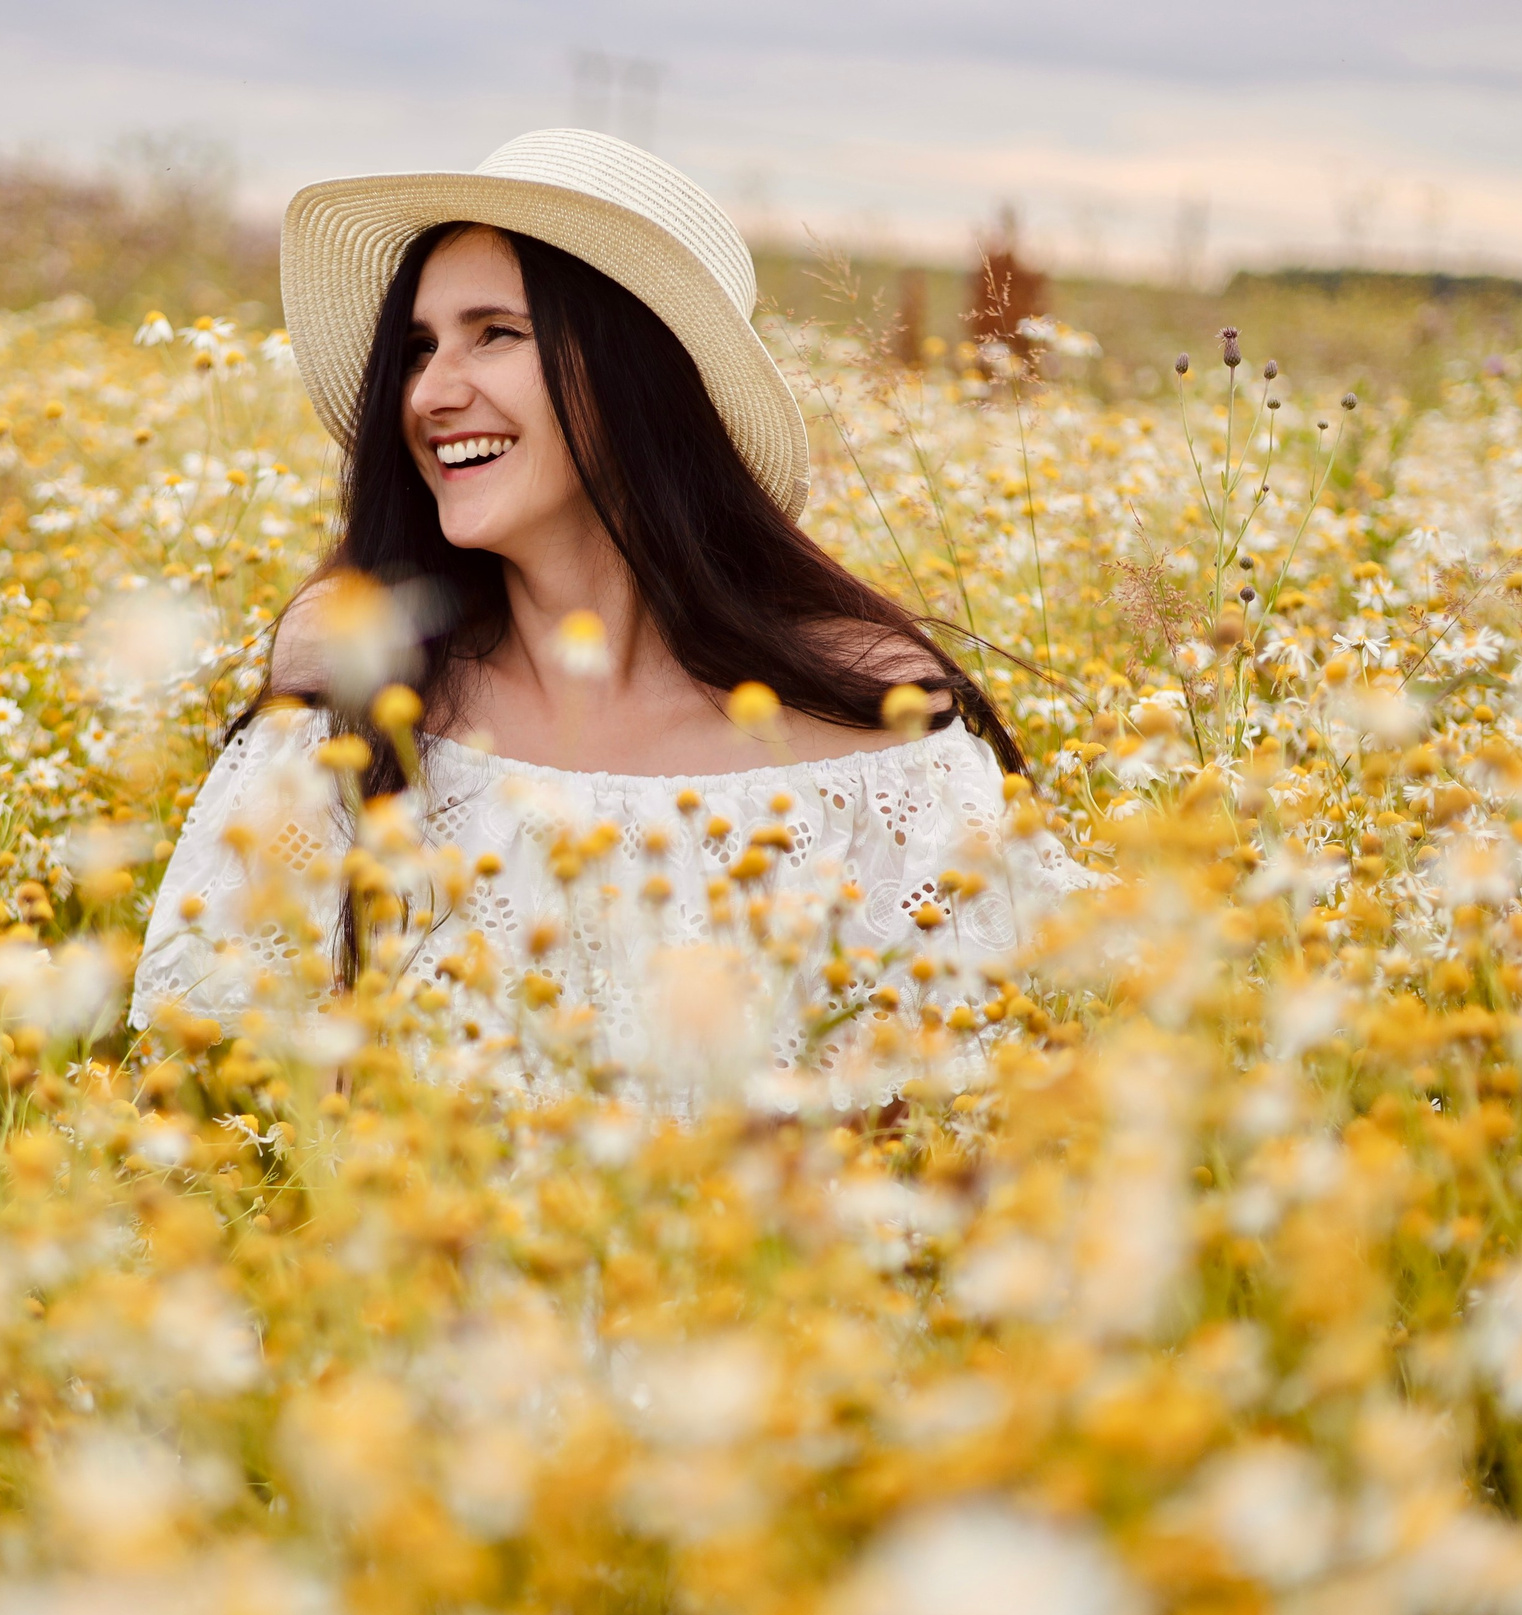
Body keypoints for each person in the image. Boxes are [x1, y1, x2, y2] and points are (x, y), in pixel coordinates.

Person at [130, 129, 1096, 1105]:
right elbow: (231, 1123)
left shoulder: (873, 747)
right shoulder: (348, 726)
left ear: (637, 369)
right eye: (419, 349)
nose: (429, 392)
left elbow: (962, 1123)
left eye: (494, 333)